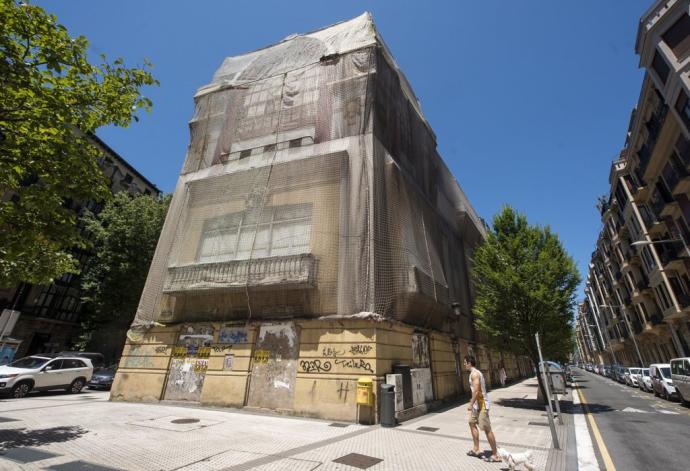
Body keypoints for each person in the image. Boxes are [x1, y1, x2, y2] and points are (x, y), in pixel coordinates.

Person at [464, 355, 500, 463]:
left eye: (465, 362)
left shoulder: (475, 374)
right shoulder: (472, 373)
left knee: (486, 428)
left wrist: (471, 403)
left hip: (482, 404)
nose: (464, 364)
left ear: (470, 363)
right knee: (471, 422)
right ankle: (476, 449)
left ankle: (495, 455)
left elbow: (476, 391)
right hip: (477, 405)